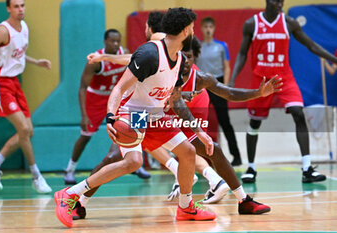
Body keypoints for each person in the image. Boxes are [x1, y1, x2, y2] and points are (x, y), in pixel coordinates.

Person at [68, 36, 279, 222]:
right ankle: (79, 201)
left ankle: (243, 199)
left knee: (210, 148)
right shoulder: (161, 61)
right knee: (114, 157)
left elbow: (229, 94)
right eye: (182, 55)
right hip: (144, 115)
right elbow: (134, 67)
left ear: (195, 58)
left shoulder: (200, 78)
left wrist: (258, 93)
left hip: (175, 120)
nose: (184, 61)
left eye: (189, 57)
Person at [54, 8, 218, 228]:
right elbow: (119, 88)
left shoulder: (179, 60)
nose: (194, 30)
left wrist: (199, 133)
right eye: (192, 27)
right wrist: (111, 117)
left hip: (154, 114)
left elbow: (176, 101)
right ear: (186, 30)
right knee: (133, 162)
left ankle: (186, 206)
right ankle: (70, 194)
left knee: (188, 151)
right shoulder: (150, 54)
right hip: (133, 113)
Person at [229, 0, 337, 184]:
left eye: (282, 1)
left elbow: (311, 45)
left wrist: (333, 58)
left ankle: (307, 168)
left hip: (284, 77)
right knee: (254, 123)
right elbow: (242, 54)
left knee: (298, 113)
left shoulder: (289, 23)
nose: (279, 4)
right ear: (267, 1)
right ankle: (251, 167)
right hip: (261, 80)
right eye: (276, 0)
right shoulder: (252, 24)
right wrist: (231, 80)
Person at [63, 29, 150, 185]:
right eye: (112, 41)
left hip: (117, 97)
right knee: (85, 136)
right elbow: (82, 87)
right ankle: (70, 169)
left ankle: (137, 164)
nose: (116, 44)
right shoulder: (97, 61)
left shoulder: (125, 53)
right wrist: (83, 115)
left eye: (118, 41)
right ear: (105, 41)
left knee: (134, 129)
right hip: (96, 98)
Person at [0, 0, 52, 193]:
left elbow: (16, 55)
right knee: (23, 129)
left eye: (22, 5)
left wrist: (36, 62)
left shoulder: (24, 27)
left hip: (14, 83)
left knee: (28, 131)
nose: (20, 9)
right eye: (16, 6)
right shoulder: (2, 31)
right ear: (8, 8)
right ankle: (36, 176)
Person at [196, 17, 242, 166]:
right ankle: (201, 157)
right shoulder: (198, 47)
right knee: (198, 121)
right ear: (202, 29)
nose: (208, 29)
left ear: (214, 28)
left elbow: (226, 66)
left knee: (225, 121)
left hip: (217, 84)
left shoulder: (222, 46)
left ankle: (236, 156)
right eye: (205, 27)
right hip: (202, 85)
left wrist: (226, 86)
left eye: (210, 26)